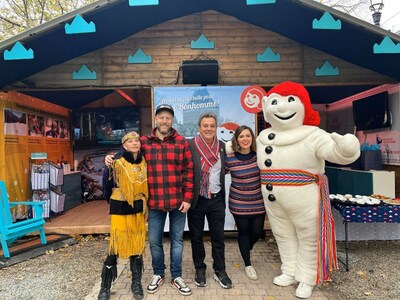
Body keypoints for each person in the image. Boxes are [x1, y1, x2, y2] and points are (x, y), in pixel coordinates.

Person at [257, 81, 360, 299]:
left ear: (303, 106)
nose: (282, 108)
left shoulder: (313, 134)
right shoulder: (263, 137)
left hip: (303, 195)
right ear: (266, 108)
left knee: (308, 237)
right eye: (275, 102)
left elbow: (335, 153)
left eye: (290, 101)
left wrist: (346, 147)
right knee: (283, 235)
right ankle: (290, 270)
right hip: (273, 199)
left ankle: (307, 277)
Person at [105, 104, 194, 296]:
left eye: (168, 118)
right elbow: (127, 153)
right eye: (161, 117)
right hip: (153, 203)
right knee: (154, 241)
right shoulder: (144, 142)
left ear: (172, 120)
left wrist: (187, 198)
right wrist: (110, 157)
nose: (164, 121)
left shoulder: (181, 142)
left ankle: (176, 275)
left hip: (178, 202)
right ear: (156, 119)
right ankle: (158, 273)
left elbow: (189, 172)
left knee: (177, 241)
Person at [98, 131, 148, 300]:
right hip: (120, 209)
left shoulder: (144, 161)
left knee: (137, 247)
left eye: (137, 141)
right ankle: (105, 287)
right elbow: (106, 186)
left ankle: (136, 283)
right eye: (130, 141)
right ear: (124, 145)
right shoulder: (115, 162)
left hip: (137, 210)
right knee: (115, 248)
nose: (134, 143)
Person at [187, 112, 233, 289]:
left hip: (216, 199)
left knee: (218, 238)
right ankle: (200, 269)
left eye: (212, 126)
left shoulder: (222, 147)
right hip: (196, 199)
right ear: (199, 127)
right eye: (205, 125)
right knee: (196, 237)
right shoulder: (190, 144)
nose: (208, 129)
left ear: (216, 128)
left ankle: (220, 270)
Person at [225, 125, 266, 280]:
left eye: (248, 135)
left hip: (258, 202)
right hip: (238, 203)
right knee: (243, 233)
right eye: (241, 136)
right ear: (236, 139)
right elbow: (219, 172)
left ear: (252, 138)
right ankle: (248, 265)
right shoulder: (230, 158)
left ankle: (246, 247)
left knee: (256, 232)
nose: (245, 139)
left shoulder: (259, 156)